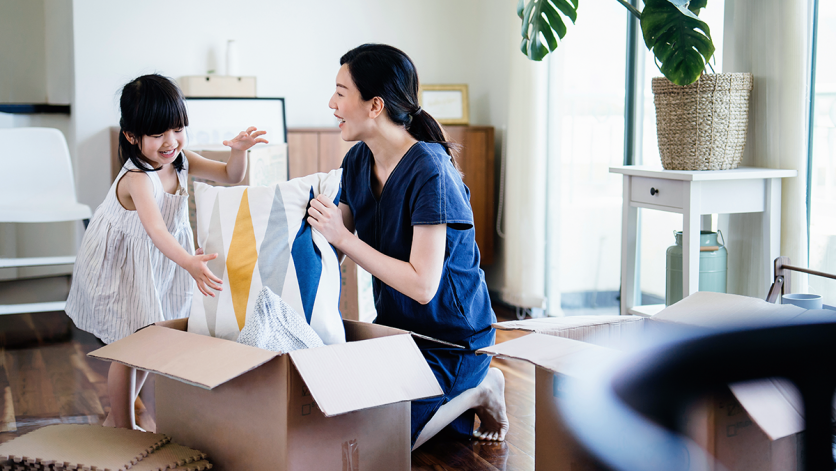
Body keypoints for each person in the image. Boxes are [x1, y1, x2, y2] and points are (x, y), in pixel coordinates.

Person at [307, 44, 509, 449]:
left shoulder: (431, 171)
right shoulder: (357, 162)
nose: (332, 103)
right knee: (340, 426)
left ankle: (481, 384)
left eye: (341, 92)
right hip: (397, 336)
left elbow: (422, 286)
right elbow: (335, 246)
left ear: (375, 105)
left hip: (454, 343)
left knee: (382, 445)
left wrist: (342, 237)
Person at [65, 74, 267, 430]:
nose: (170, 141)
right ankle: (124, 427)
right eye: (157, 134)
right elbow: (156, 230)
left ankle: (118, 418)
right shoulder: (138, 179)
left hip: (158, 261)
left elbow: (230, 176)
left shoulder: (181, 159)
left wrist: (239, 152)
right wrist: (189, 261)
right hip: (123, 265)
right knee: (129, 350)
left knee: (150, 341)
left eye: (176, 129)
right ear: (131, 136)